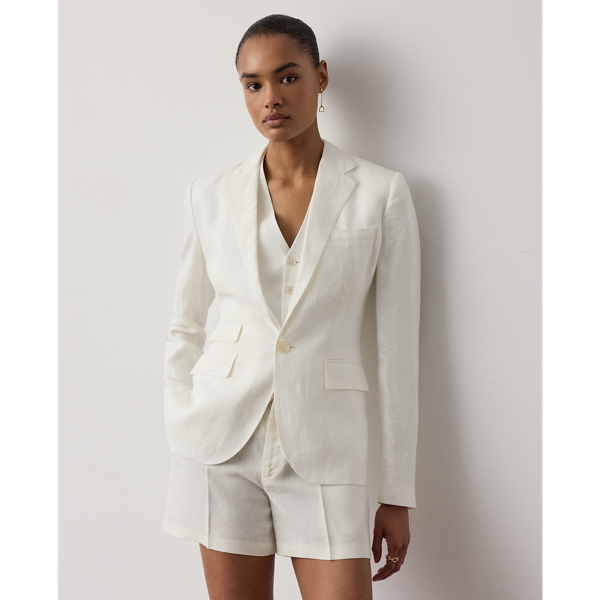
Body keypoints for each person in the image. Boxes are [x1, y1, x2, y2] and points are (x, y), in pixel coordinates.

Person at [162, 14, 421, 600]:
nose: (271, 98)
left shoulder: (380, 193)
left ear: (320, 76)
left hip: (327, 450)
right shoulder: (210, 195)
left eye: (287, 77)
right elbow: (185, 323)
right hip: (221, 444)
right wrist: (180, 412)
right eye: (253, 84)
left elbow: (397, 348)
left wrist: (397, 491)